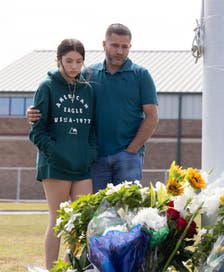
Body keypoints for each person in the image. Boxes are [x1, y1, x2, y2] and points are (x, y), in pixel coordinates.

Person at [27, 23, 159, 193]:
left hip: (128, 158)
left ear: (130, 47)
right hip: (95, 159)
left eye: (124, 47)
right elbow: (61, 89)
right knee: (96, 215)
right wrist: (35, 111)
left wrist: (131, 151)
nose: (120, 51)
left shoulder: (141, 75)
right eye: (115, 45)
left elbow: (152, 116)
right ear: (104, 45)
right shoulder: (88, 74)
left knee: (126, 212)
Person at [29, 39, 97, 269]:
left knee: (80, 223)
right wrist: (57, 153)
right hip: (55, 166)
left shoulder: (88, 90)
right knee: (57, 221)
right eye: (69, 61)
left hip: (82, 166)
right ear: (59, 60)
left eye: (79, 61)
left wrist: (89, 153)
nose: (74, 66)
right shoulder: (46, 86)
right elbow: (37, 132)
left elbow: (93, 130)